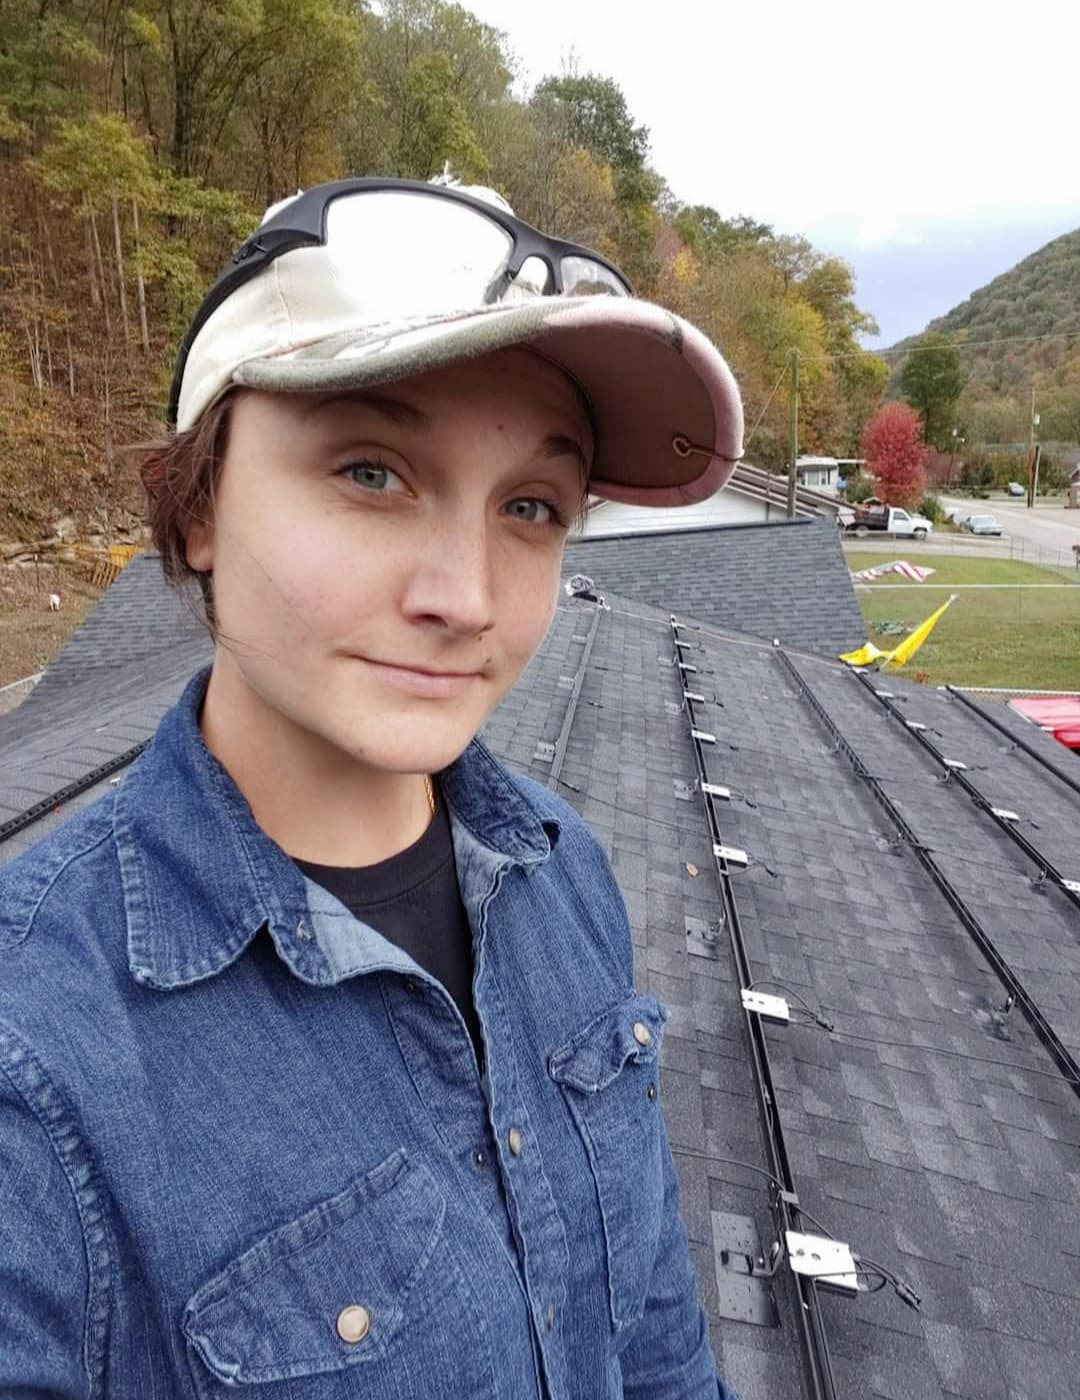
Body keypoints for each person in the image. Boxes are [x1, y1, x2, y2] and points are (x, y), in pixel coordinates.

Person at [0, 176, 744, 1398]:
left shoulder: (564, 875)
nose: (467, 594)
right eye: (371, 472)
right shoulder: (37, 1061)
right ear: (197, 504)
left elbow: (658, 1345)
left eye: (532, 506)